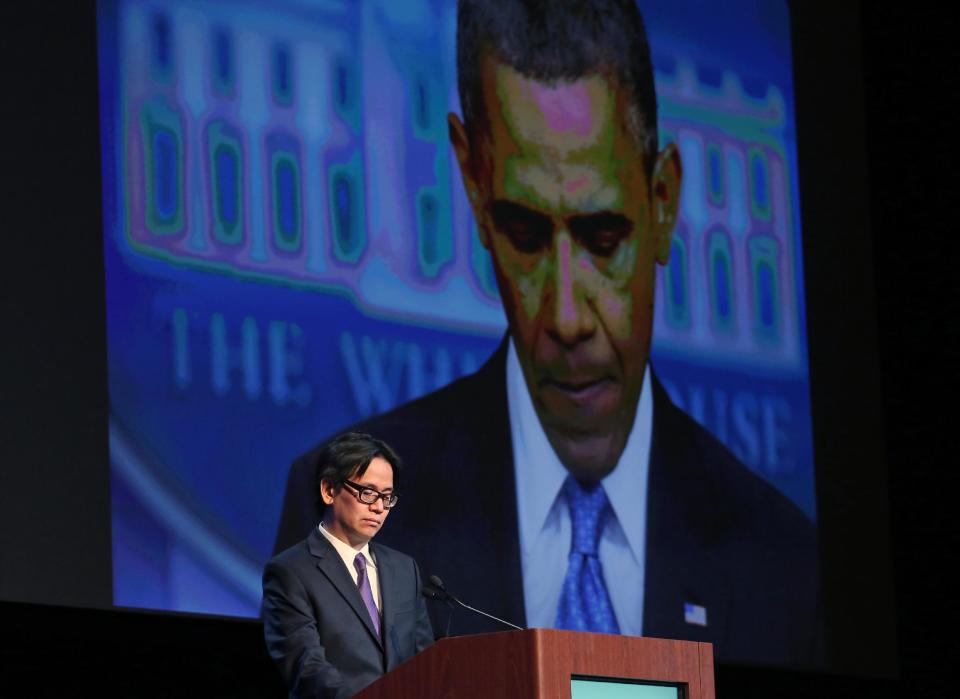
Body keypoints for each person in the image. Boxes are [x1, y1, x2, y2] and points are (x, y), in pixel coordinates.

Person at [275, 0, 821, 667]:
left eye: (603, 237)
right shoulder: (338, 515)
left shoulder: (785, 569)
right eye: (527, 236)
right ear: (474, 189)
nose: (566, 317)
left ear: (663, 200)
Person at [262, 432, 434, 698]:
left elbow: (425, 662)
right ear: (329, 490)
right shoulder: (290, 572)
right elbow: (307, 668)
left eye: (387, 497)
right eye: (368, 493)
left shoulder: (404, 569)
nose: (379, 507)